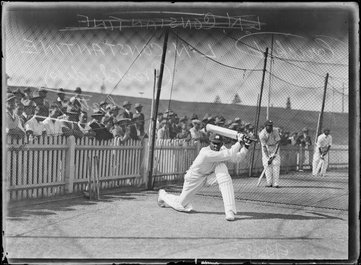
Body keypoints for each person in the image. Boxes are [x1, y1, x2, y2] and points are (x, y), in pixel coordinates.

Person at [158, 133, 252, 221]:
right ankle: (163, 195)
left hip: (209, 177)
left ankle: (229, 211)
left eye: (218, 144)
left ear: (221, 144)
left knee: (222, 168)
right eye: (214, 143)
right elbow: (229, 154)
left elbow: (237, 158)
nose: (216, 146)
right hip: (194, 178)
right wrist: (239, 142)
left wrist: (246, 146)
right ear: (209, 142)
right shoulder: (205, 152)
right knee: (181, 204)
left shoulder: (222, 149)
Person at [259, 120, 281, 188]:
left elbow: (278, 142)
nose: (271, 127)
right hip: (267, 147)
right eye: (269, 126)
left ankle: (275, 183)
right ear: (266, 126)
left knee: (276, 164)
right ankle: (269, 183)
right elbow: (264, 147)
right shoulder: (262, 134)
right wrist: (268, 157)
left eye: (271, 125)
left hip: (275, 147)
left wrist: (274, 154)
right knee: (267, 164)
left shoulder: (275, 131)